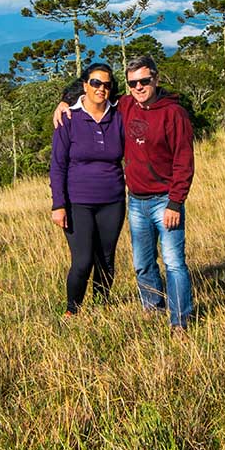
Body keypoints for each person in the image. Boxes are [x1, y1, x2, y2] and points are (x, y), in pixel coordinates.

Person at [56, 55, 195, 334]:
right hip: (135, 201)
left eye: (145, 81)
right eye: (133, 83)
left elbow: (184, 161)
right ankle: (150, 308)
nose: (139, 87)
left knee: (173, 263)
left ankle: (179, 321)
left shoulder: (171, 113)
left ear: (156, 79)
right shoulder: (126, 104)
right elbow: (94, 90)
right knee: (142, 264)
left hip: (163, 200)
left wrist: (176, 202)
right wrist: (63, 100)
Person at [49, 63, 126, 317]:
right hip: (77, 202)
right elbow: (57, 165)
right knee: (82, 261)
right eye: (95, 83)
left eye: (106, 84)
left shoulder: (119, 115)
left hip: (112, 200)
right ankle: (73, 310)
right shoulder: (69, 117)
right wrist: (58, 205)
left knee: (106, 259)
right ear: (84, 85)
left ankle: (101, 307)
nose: (100, 89)